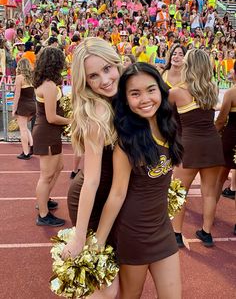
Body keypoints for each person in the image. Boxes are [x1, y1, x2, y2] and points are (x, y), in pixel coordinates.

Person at [95, 62, 183, 299]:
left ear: (161, 90)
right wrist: (98, 241)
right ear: (125, 100)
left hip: (162, 228)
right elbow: (117, 193)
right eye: (135, 93)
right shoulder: (126, 142)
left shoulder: (169, 126)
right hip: (134, 232)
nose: (145, 99)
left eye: (151, 90)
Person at [62, 37, 123, 298]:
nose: (105, 80)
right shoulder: (97, 109)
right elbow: (91, 180)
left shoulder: (124, 94)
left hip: (112, 196)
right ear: (85, 82)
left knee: (106, 278)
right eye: (93, 76)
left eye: (107, 69)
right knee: (103, 284)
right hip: (93, 197)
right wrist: (78, 237)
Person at [169, 49, 225, 248]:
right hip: (212, 144)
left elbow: (166, 119)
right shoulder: (212, 88)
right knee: (209, 192)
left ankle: (176, 234)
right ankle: (207, 233)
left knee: (178, 192)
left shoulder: (176, 91)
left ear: (189, 65)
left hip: (190, 146)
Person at [33, 47, 71, 227]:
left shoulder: (49, 84)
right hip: (47, 133)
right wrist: (73, 120)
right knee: (46, 175)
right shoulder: (48, 86)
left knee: (60, 166)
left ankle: (44, 199)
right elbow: (51, 117)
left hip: (51, 133)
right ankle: (43, 214)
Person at [215, 61, 236, 235]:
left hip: (230, 138)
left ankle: (210, 215)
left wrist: (214, 133)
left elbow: (221, 119)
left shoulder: (231, 92)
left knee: (219, 178)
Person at [12, 58, 36, 159]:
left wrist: (14, 108)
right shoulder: (32, 77)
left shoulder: (19, 78)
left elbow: (17, 95)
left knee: (22, 129)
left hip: (23, 105)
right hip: (32, 105)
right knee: (25, 128)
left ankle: (26, 153)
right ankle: (32, 146)